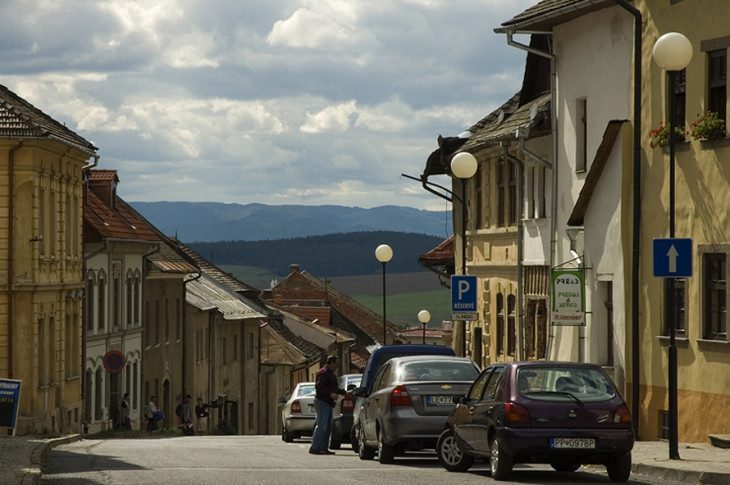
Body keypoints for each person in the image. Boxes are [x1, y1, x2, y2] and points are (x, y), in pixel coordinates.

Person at [309, 356, 345, 455]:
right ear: (331, 363)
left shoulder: (331, 374)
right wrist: (330, 394)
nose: (337, 366)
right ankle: (315, 447)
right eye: (336, 363)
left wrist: (343, 392)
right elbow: (319, 386)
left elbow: (334, 388)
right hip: (322, 402)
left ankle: (324, 448)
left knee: (328, 427)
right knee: (322, 425)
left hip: (328, 403)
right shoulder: (324, 372)